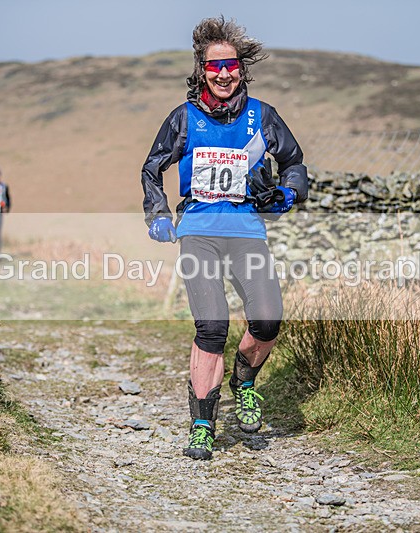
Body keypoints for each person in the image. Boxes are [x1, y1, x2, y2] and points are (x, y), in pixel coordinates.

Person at [141, 16, 308, 460]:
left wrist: (289, 192)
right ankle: (202, 424)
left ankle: (244, 381)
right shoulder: (184, 118)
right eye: (214, 67)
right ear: (201, 70)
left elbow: (294, 162)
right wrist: (158, 215)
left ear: (241, 69)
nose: (223, 74)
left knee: (268, 322)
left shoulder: (262, 116)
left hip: (247, 230)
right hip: (199, 232)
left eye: (230, 65)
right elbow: (152, 168)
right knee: (212, 327)